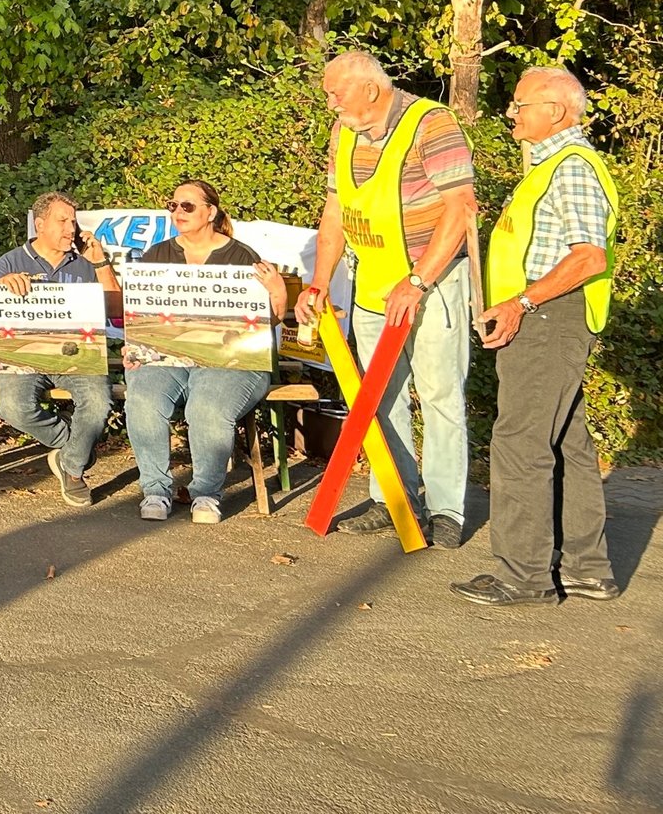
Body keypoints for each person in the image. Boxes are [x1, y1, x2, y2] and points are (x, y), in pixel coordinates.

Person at [453, 68, 622, 607]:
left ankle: (523, 576)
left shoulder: (571, 169)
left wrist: (521, 302)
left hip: (547, 319)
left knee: (520, 442)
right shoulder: (551, 167)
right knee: (568, 445)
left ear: (555, 110)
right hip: (547, 317)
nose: (511, 112)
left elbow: (587, 257)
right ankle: (586, 570)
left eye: (520, 103)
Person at [294, 51, 475, 549]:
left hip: (432, 285)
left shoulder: (431, 124)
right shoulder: (344, 133)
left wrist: (417, 281)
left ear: (371, 89)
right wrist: (319, 282)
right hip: (373, 286)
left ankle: (446, 509)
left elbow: (461, 209)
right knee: (379, 400)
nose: (329, 102)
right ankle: (392, 498)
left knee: (439, 397)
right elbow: (335, 210)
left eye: (336, 92)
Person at [124, 180, 286, 524]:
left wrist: (277, 292)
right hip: (169, 357)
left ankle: (206, 495)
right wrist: (134, 343)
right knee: (142, 397)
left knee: (208, 405)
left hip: (229, 360)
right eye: (173, 206)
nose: (177, 213)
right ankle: (155, 490)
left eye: (187, 206)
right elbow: (141, 315)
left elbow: (262, 322)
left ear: (210, 212)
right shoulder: (157, 255)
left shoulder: (242, 257)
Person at [0, 191, 121, 507]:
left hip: (78, 353)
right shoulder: (10, 260)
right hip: (26, 353)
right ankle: (73, 447)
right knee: (13, 408)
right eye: (63, 221)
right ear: (39, 224)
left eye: (73, 221)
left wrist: (100, 262)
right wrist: (2, 286)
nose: (70, 228)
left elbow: (117, 310)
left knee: (98, 404)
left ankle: (72, 469)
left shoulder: (86, 261)